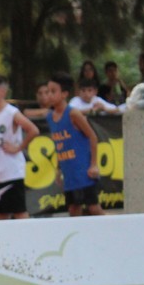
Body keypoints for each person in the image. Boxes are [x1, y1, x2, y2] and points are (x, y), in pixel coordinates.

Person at [44, 72, 104, 216]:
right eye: (48, 91)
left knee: (94, 208)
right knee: (73, 210)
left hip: (82, 171)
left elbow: (92, 136)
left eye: (53, 91)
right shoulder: (50, 117)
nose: (49, 95)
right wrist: (58, 169)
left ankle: (115, 227)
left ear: (64, 94)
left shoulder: (73, 114)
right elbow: (60, 145)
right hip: (68, 173)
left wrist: (94, 164)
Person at [0, 74, 41, 221]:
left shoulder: (11, 112)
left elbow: (33, 130)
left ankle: (30, 236)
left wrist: (18, 147)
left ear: (2, 92)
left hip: (11, 172)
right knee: (1, 214)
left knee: (19, 212)